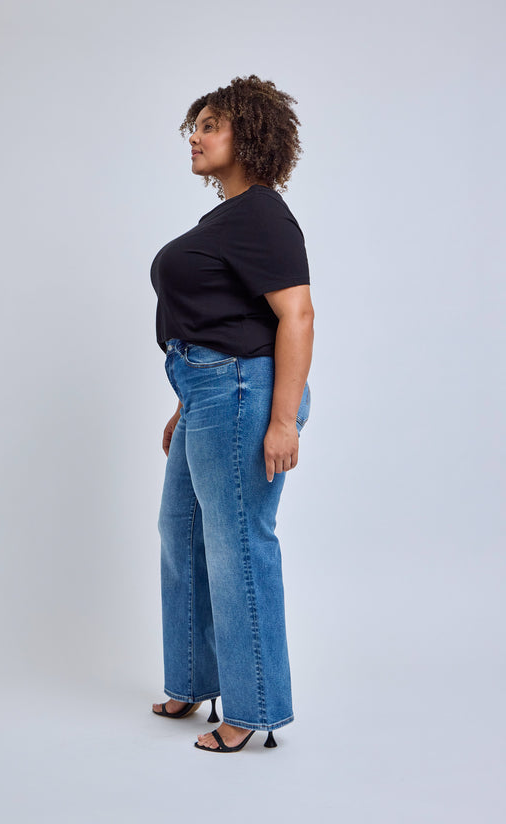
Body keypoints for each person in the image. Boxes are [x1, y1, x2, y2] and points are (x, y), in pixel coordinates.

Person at [149, 74, 314, 753]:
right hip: (211, 394)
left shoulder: (263, 214)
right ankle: (193, 679)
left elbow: (296, 314)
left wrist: (282, 422)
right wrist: (184, 401)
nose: (196, 135)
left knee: (239, 546)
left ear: (247, 135)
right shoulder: (227, 219)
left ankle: (252, 708)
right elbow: (224, 315)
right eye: (198, 124)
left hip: (245, 396)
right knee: (180, 533)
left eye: (211, 125)